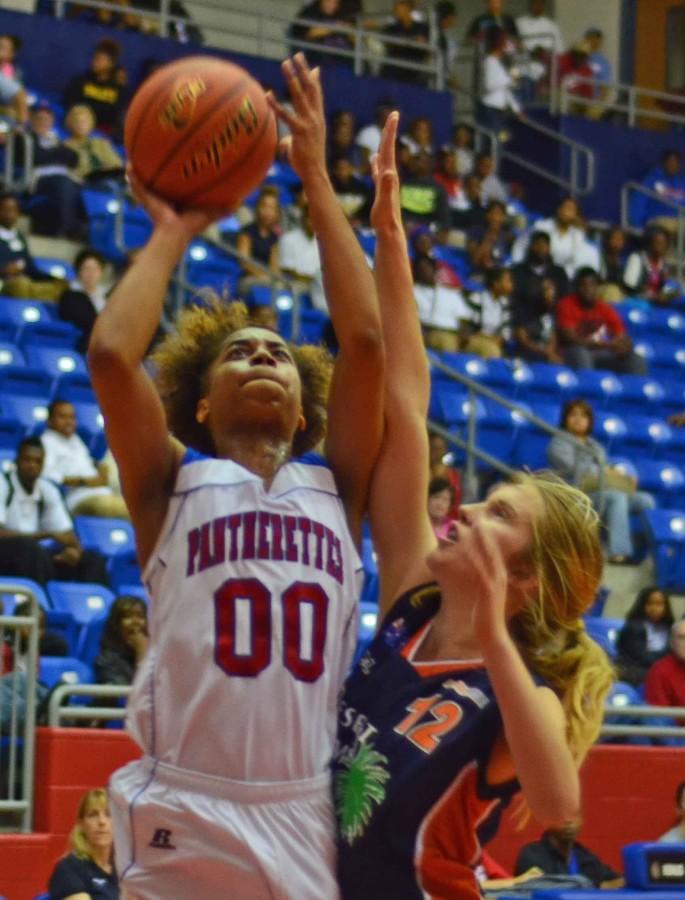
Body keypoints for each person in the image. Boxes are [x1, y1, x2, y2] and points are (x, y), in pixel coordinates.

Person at [87, 54, 384, 899]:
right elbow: (112, 355)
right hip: (188, 800)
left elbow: (365, 346)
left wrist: (318, 184)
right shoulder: (170, 483)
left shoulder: (340, 485)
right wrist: (174, 231)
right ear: (203, 406)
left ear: (303, 411)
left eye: (280, 356)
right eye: (240, 353)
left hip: (306, 807)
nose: (263, 356)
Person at [333, 104, 613, 900]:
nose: (463, 511)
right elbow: (404, 402)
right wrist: (389, 236)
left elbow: (560, 807)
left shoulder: (518, 694)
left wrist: (491, 632)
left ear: (526, 580)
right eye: (482, 501)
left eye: (498, 517)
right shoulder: (409, 607)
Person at [547, 399, 655, 565]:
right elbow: (575, 471)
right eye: (573, 414)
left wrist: (621, 476)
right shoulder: (559, 443)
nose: (578, 419)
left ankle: (644, 551)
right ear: (565, 419)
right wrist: (605, 473)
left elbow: (606, 468)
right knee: (615, 497)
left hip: (600, 491)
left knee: (645, 500)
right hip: (576, 495)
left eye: (584, 416)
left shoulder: (595, 446)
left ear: (590, 421)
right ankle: (619, 553)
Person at [0, 437, 110, 587]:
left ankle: (88, 606)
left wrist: (74, 550)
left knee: (93, 560)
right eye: (27, 460)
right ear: (16, 461)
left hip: (37, 557)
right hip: (7, 555)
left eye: (38, 461)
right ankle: (40, 606)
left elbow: (67, 534)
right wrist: (47, 535)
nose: (32, 465)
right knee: (30, 549)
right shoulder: (3, 483)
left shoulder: (47, 489)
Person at [40, 400, 129, 518]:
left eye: (72, 418)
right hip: (78, 499)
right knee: (131, 512)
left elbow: (86, 463)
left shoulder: (75, 440)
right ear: (49, 421)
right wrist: (84, 482)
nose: (69, 422)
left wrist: (99, 468)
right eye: (63, 417)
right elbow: (47, 476)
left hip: (101, 493)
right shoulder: (46, 442)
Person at [555, 268, 646, 374]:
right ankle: (588, 388)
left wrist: (624, 345)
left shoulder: (604, 307)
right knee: (581, 354)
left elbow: (622, 335)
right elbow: (570, 338)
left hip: (602, 353)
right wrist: (606, 345)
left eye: (592, 285)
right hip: (575, 351)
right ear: (577, 288)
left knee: (635, 359)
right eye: (583, 285)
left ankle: (632, 389)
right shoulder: (566, 305)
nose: (588, 289)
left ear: (598, 287)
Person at [24, 102, 86, 240]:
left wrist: (53, 152)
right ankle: (68, 228)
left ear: (52, 121)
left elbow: (73, 158)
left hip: (63, 176)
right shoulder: (27, 137)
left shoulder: (56, 139)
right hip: (39, 177)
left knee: (81, 187)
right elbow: (37, 157)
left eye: (46, 119)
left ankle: (83, 228)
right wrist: (57, 152)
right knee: (64, 184)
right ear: (32, 120)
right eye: (39, 119)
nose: (43, 122)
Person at [47, 787, 118, 900]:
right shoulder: (69, 868)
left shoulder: (125, 868)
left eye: (108, 814)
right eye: (93, 815)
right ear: (81, 824)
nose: (101, 822)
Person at [515, 820, 623, 888]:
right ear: (548, 822)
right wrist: (599, 887)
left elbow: (614, 880)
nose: (568, 823)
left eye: (574, 817)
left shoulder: (585, 856)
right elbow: (550, 888)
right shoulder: (532, 854)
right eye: (562, 817)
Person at [0, 191, 67, 301]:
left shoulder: (19, 237)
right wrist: (4, 270)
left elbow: (30, 268)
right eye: (5, 209)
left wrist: (52, 278)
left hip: (25, 281)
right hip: (4, 283)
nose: (9, 214)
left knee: (61, 284)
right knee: (21, 284)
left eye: (13, 210)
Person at [513, 197, 599, 279]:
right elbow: (521, 246)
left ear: (575, 215)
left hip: (561, 278)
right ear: (559, 210)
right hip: (535, 273)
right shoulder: (541, 226)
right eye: (565, 208)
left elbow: (574, 262)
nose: (567, 212)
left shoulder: (578, 236)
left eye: (571, 210)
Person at [62, 39, 129, 139]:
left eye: (100, 59)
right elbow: (69, 104)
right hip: (77, 129)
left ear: (111, 63)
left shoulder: (119, 90)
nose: (94, 62)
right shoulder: (80, 81)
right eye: (94, 58)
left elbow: (117, 116)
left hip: (104, 135)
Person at [616, 586, 676, 686]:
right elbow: (642, 657)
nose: (654, 608)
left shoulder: (670, 627)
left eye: (659, 604)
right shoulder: (633, 627)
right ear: (642, 605)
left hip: (663, 667)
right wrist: (668, 656)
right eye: (650, 604)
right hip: (637, 669)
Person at [58, 248, 110, 353]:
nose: (91, 274)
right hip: (83, 344)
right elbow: (86, 322)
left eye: (95, 269)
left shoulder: (107, 296)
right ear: (79, 271)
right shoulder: (70, 296)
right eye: (87, 269)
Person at [235, 186, 283, 297]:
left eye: (272, 208)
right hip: (248, 278)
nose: (267, 212)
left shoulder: (275, 236)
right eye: (264, 206)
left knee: (284, 288)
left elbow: (274, 264)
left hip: (268, 278)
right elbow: (244, 262)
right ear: (257, 208)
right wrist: (261, 275)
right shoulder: (247, 232)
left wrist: (273, 276)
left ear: (277, 212)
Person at [476, 27, 521, 140]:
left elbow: (505, 89)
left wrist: (516, 109)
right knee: (493, 143)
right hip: (489, 108)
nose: (507, 44)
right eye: (505, 41)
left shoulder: (500, 63)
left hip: (499, 110)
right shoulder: (489, 61)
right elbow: (489, 85)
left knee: (501, 140)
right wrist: (510, 80)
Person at [63, 103, 125, 185]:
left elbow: (117, 164)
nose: (80, 125)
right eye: (77, 121)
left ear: (90, 123)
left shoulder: (101, 142)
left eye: (84, 122)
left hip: (110, 179)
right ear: (70, 124)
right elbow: (73, 172)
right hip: (86, 182)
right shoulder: (65, 146)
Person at [94, 595, 148, 687]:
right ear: (116, 625)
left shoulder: (157, 657)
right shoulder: (106, 661)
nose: (136, 622)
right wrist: (141, 654)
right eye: (128, 616)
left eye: (140, 616)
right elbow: (127, 695)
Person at [624, 226, 678, 305]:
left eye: (663, 243)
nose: (659, 247)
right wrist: (653, 295)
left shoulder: (664, 265)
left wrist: (670, 293)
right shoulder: (637, 258)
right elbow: (630, 285)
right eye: (657, 242)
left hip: (657, 302)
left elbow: (666, 287)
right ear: (649, 243)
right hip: (637, 301)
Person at [634, 150, 685, 232]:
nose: (673, 164)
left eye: (676, 162)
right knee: (669, 225)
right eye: (670, 161)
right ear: (664, 163)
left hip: (679, 220)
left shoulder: (682, 183)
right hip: (657, 219)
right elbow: (639, 202)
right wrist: (637, 224)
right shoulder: (652, 180)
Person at [380, 0, 430, 84]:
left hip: (415, 72)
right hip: (393, 70)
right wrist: (413, 40)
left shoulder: (423, 28)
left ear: (407, 8)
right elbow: (389, 43)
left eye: (398, 8)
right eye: (395, 8)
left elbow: (426, 47)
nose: (395, 11)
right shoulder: (390, 28)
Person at [645, 620, 685, 713]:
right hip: (671, 725)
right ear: (671, 642)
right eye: (682, 638)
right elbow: (659, 716)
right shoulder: (659, 670)